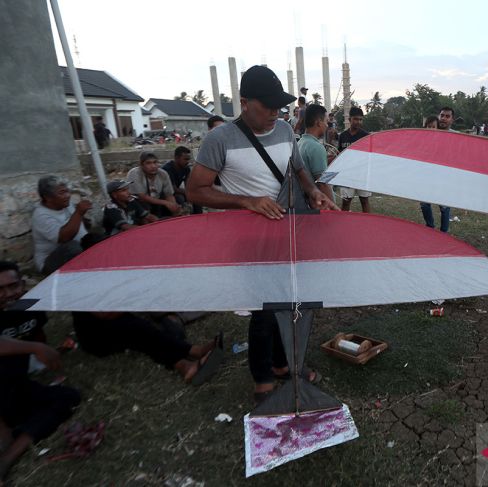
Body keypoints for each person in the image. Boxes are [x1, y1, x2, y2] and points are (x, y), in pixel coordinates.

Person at [186, 65, 336, 404]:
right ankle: (263, 374)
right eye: (266, 105)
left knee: (289, 301)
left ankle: (283, 364)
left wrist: (312, 192)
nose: (274, 112)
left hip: (287, 232)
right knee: (263, 308)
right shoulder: (219, 139)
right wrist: (246, 201)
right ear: (243, 102)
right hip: (250, 238)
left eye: (278, 106)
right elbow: (195, 191)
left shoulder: (284, 129)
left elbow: (298, 169)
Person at [0, 261, 81, 483]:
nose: (7, 294)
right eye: (0, 289)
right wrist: (35, 348)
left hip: (15, 384)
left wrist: (48, 353)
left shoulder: (30, 303)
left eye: (13, 286)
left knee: (69, 397)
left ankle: (9, 455)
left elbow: (38, 335)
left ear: (22, 284)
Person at [70, 312, 221, 386]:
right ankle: (184, 365)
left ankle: (194, 351)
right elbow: (106, 314)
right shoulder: (84, 278)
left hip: (107, 323)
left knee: (142, 328)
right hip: (96, 337)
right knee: (139, 331)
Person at [31, 176, 92, 275]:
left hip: (77, 251)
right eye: (62, 193)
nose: (68, 195)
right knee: (72, 247)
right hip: (50, 262)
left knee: (95, 239)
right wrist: (79, 213)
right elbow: (64, 238)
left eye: (67, 191)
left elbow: (74, 222)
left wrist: (83, 220)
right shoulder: (41, 216)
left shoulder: (66, 204)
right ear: (48, 197)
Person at [419, 108, 454, 232]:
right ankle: (430, 228)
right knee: (424, 203)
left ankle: (444, 233)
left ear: (452, 119)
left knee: (444, 206)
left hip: (445, 177)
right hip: (427, 175)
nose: (444, 118)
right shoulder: (426, 137)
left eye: (447, 116)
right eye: (442, 115)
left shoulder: (456, 136)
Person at [127, 152, 182, 218]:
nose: (153, 166)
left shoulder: (163, 173)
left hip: (157, 200)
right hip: (140, 203)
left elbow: (169, 194)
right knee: (144, 205)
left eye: (155, 162)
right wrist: (166, 203)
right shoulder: (135, 173)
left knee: (178, 200)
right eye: (148, 163)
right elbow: (142, 197)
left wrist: (174, 206)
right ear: (141, 165)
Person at [338, 107, 371, 212]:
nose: (358, 122)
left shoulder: (366, 136)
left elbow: (370, 156)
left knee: (364, 201)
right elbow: (339, 154)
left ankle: (367, 226)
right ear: (349, 119)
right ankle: (344, 226)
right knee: (346, 202)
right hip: (347, 175)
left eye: (361, 119)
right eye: (356, 119)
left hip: (362, 174)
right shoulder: (343, 136)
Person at [298, 104, 335, 201]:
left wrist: (328, 162)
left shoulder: (300, 143)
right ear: (319, 122)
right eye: (326, 122)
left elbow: (309, 170)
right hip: (319, 205)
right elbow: (323, 183)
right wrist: (334, 209)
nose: (327, 126)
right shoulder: (316, 147)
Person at [162, 146, 202, 214]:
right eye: (185, 159)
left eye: (188, 159)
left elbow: (188, 184)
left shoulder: (186, 168)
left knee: (196, 198)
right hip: (166, 194)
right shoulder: (167, 169)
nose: (188, 162)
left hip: (177, 191)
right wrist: (188, 193)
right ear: (176, 158)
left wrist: (191, 193)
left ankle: (198, 218)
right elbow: (172, 189)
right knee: (180, 198)